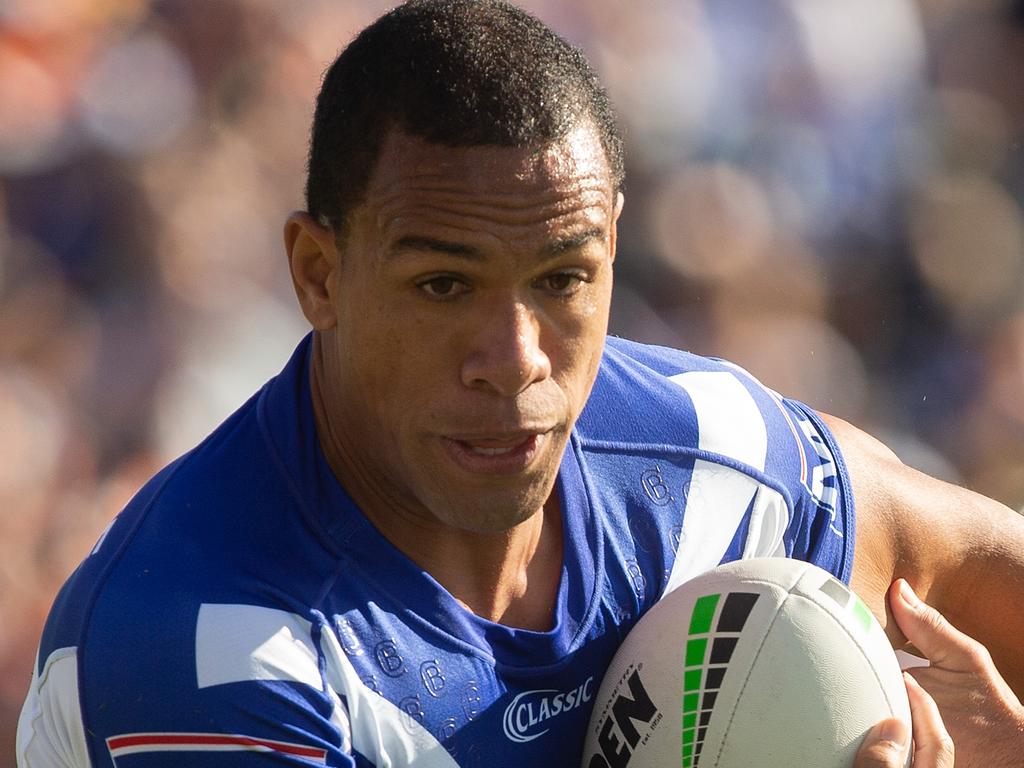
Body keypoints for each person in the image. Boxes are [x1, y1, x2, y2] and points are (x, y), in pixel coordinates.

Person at [16, 1, 1024, 766]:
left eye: (562, 280)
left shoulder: (706, 468)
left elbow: (978, 569)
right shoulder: (204, 648)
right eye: (443, 284)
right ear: (319, 275)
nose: (515, 358)